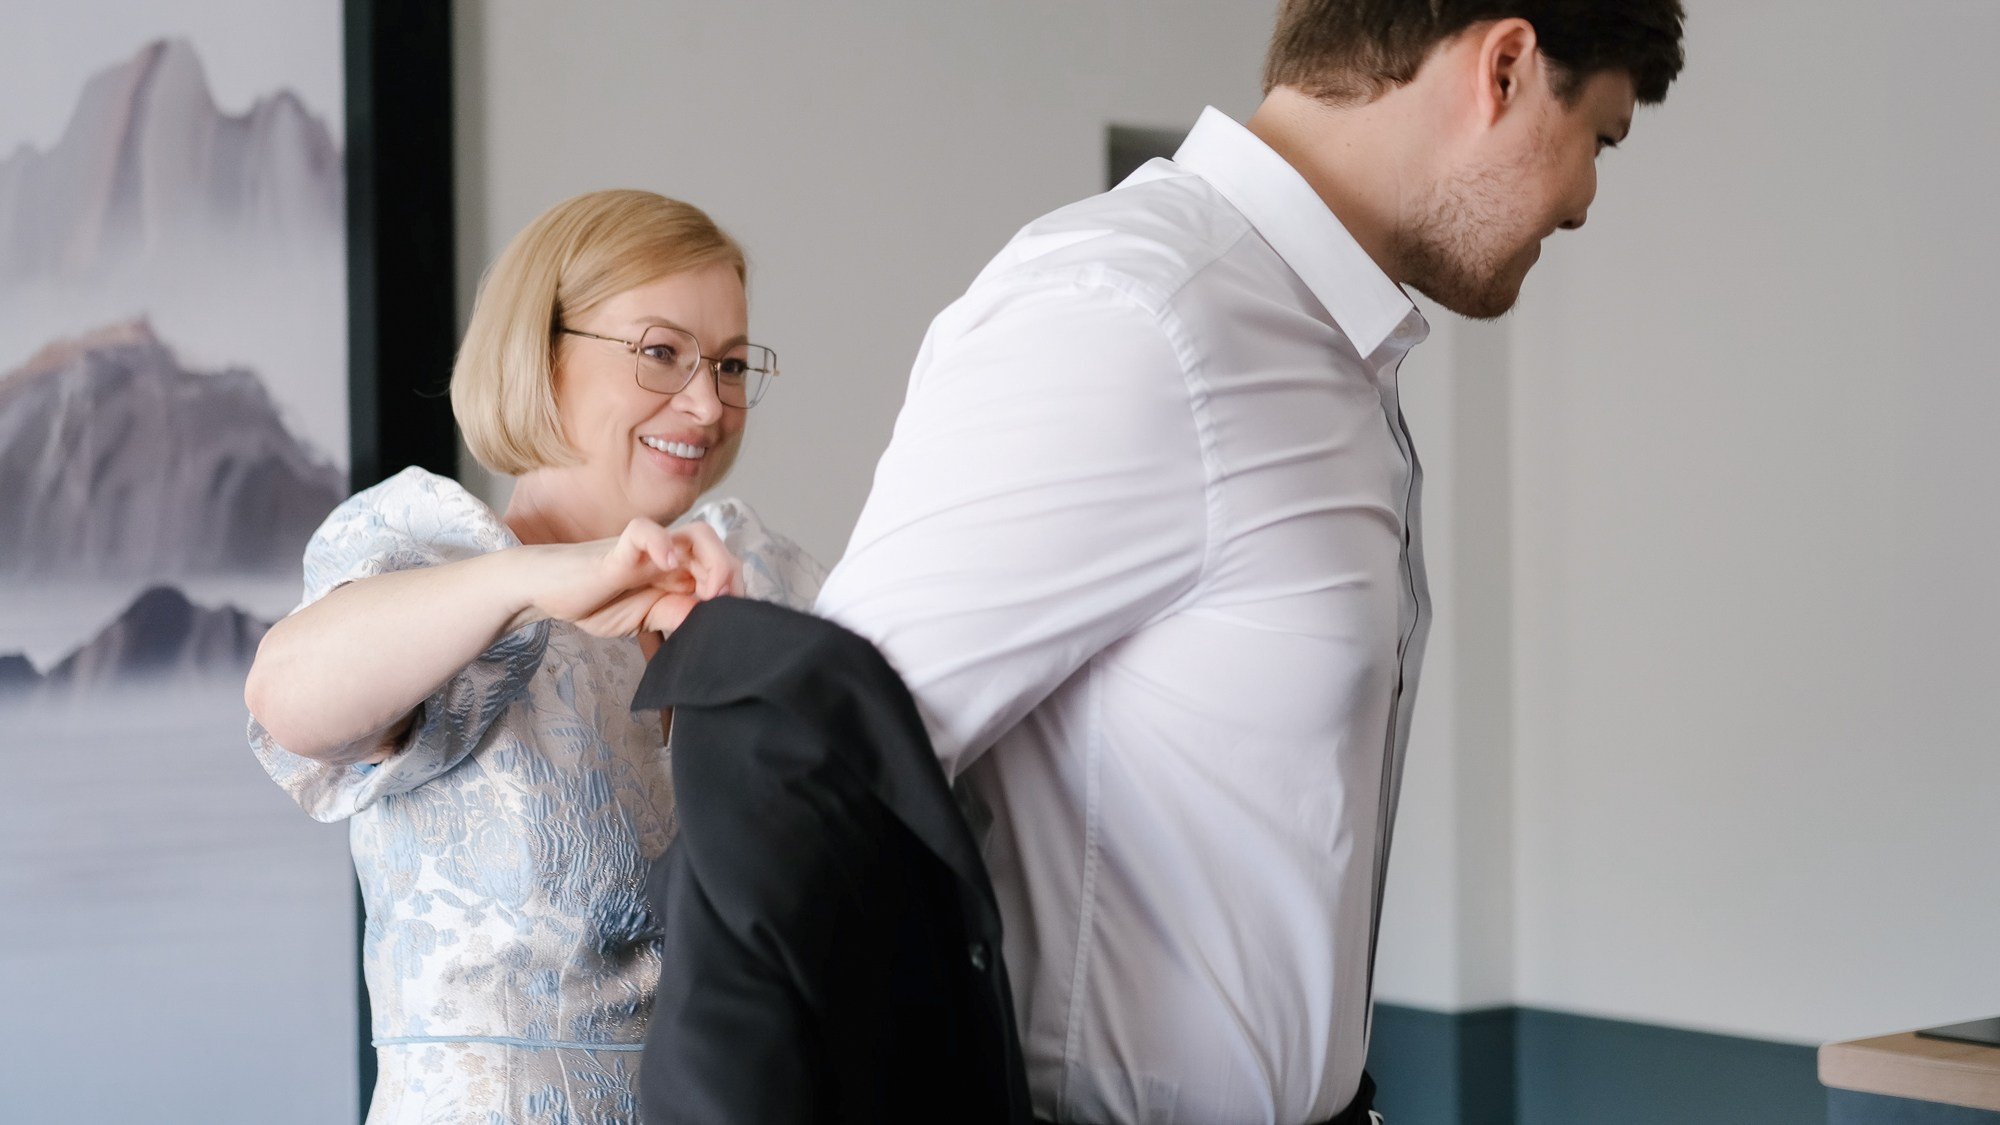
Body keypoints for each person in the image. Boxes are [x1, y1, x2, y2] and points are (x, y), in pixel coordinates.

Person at [813, 3, 1685, 1123]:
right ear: (1505, 67)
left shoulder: (1323, 339)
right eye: (1598, 141)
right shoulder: (1137, 313)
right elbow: (818, 777)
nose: (1582, 200)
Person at [244, 189, 824, 1123]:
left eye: (727, 363)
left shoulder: (760, 577)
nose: (708, 402)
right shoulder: (444, 567)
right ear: (540, 352)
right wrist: (530, 580)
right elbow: (286, 699)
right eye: (662, 352)